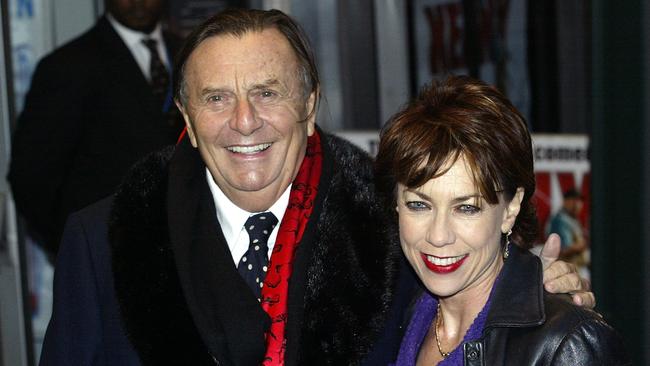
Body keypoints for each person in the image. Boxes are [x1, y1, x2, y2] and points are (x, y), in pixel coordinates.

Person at [40, 9, 594, 366]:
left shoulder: (393, 228)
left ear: (309, 106)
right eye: (215, 98)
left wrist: (526, 286)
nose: (244, 121)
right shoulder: (102, 243)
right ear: (184, 115)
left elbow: (474, 289)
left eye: (267, 92)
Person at [374, 76, 628, 365]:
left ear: (511, 208)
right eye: (419, 205)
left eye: (466, 208)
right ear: (396, 204)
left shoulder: (565, 346)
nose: (438, 235)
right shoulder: (389, 311)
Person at [8, 0, 184, 259]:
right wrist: (77, 246)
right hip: (107, 255)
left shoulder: (188, 54)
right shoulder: (68, 67)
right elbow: (31, 177)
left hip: (185, 250)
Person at [547, 188, 589, 266]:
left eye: (579, 201)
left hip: (575, 269)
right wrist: (586, 243)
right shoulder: (560, 220)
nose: (577, 204)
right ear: (565, 201)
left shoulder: (573, 220)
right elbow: (564, 250)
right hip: (564, 271)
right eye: (574, 200)